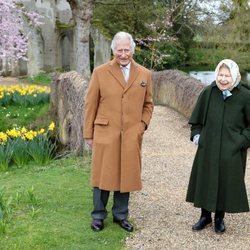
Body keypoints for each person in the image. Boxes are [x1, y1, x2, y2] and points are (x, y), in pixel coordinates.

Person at [83, 31, 154, 232]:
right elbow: (90, 104)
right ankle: (98, 216)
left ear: (133, 49)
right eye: (120, 50)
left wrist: (142, 126)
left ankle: (121, 215)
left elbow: (148, 104)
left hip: (132, 134)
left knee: (127, 174)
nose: (123, 54)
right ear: (113, 50)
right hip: (105, 132)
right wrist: (88, 133)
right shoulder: (100, 72)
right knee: (102, 176)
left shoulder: (144, 74)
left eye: (127, 50)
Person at [186, 59, 250, 233]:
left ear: (235, 76)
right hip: (208, 148)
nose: (223, 79)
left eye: (227, 75)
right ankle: (205, 217)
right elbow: (196, 121)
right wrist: (198, 137)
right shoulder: (208, 92)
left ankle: (220, 218)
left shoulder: (245, 96)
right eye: (220, 75)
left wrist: (241, 141)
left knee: (225, 182)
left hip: (232, 150)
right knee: (205, 180)